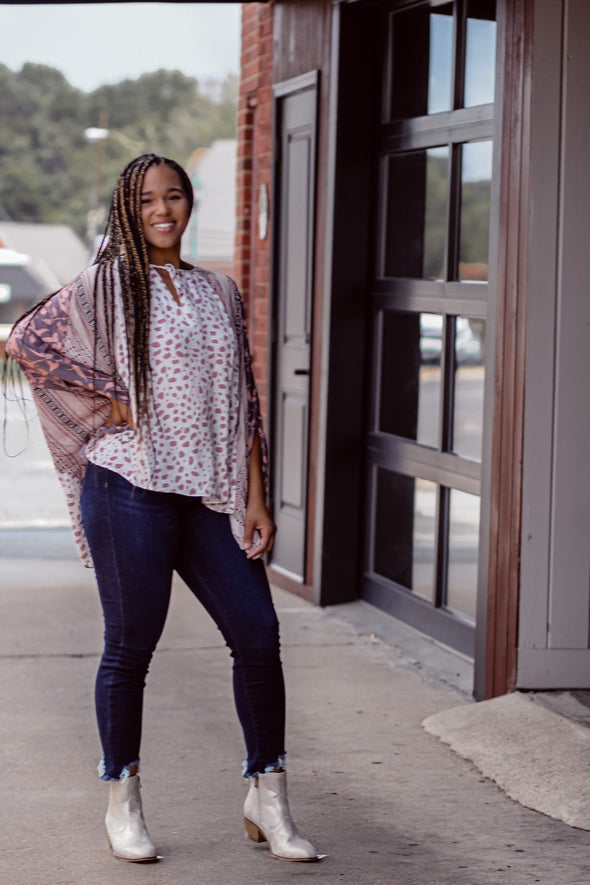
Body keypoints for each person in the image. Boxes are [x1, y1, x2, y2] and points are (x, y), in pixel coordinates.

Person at [5, 154, 318, 864]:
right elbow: (27, 338)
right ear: (128, 207)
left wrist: (257, 497)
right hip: (128, 490)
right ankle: (123, 799)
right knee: (130, 649)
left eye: (174, 196)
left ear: (190, 204)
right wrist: (104, 394)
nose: (162, 209)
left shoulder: (220, 290)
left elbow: (243, 399)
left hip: (208, 497)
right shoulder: (109, 285)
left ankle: (268, 796)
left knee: (259, 635)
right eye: (147, 198)